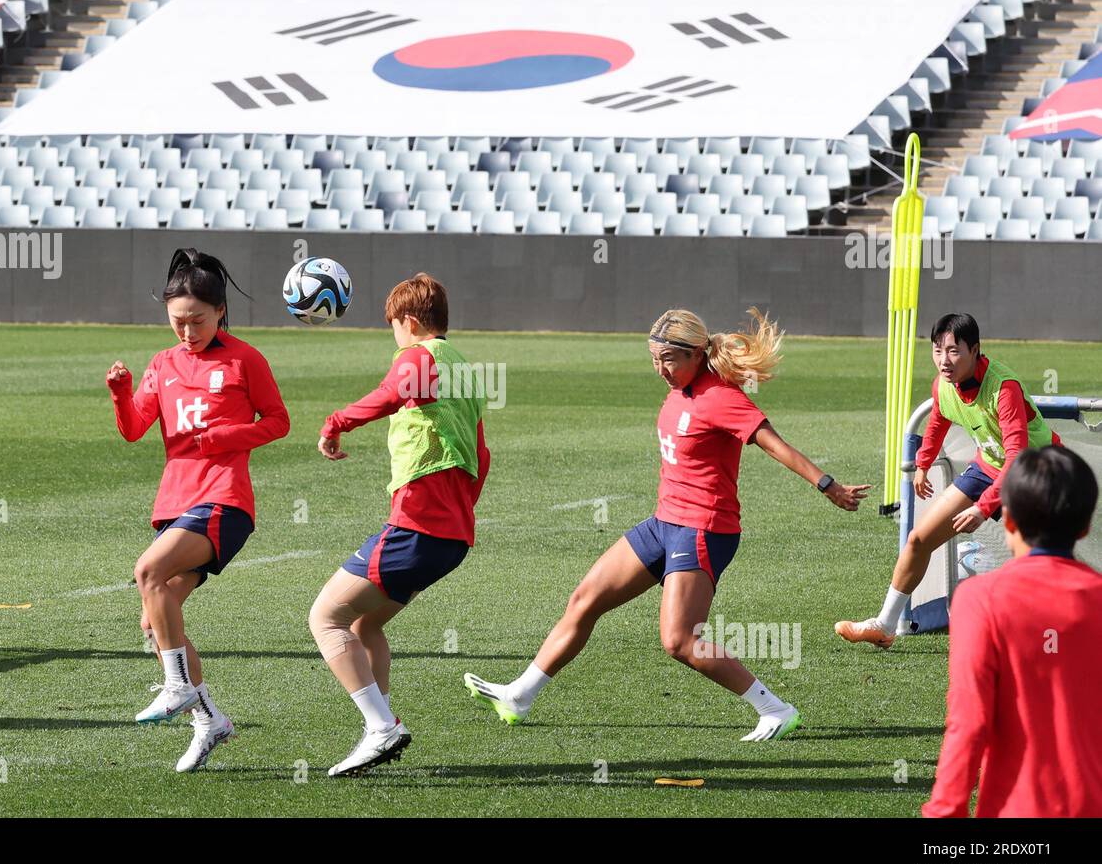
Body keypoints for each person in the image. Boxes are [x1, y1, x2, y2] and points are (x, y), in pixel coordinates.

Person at [465, 308, 868, 741]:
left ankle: (775, 709)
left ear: (697, 354)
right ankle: (520, 696)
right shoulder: (681, 389)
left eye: (669, 360)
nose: (661, 370)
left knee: (679, 640)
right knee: (585, 599)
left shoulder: (722, 396)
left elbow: (776, 445)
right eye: (654, 359)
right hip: (663, 523)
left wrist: (826, 484)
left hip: (704, 528)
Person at [107, 248, 289, 772]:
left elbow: (278, 420)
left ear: (221, 312)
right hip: (176, 502)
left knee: (147, 570)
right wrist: (121, 393)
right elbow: (133, 429)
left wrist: (227, 435)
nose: (187, 332)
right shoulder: (163, 364)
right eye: (177, 322)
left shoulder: (244, 359)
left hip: (224, 499)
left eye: (198, 321)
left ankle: (176, 687)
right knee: (155, 617)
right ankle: (209, 719)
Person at [309, 273, 490, 776]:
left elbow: (391, 393)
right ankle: (380, 729)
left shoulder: (419, 355)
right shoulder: (463, 369)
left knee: (325, 618)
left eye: (393, 326)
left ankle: (381, 727)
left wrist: (337, 421)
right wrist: (462, 509)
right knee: (365, 624)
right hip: (451, 533)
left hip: (419, 525)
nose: (394, 336)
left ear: (409, 322)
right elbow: (482, 453)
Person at [837, 313, 1059, 648]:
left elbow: (1017, 457)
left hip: (1039, 471)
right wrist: (923, 463)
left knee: (1037, 560)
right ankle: (884, 626)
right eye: (938, 350)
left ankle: (1052, 634)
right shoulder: (944, 385)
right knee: (918, 539)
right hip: (989, 467)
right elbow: (939, 418)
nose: (944, 360)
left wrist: (984, 509)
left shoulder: (1004, 388)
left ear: (976, 350)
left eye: (954, 351)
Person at [923, 445, 1101, 817]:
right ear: (1084, 527)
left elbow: (969, 719)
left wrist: (946, 811)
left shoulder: (980, 599)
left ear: (1008, 521)